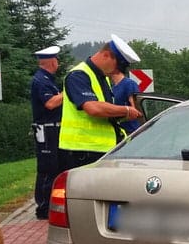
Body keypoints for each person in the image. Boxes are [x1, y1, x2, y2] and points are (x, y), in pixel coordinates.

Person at [58, 34, 143, 171]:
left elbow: (106, 111)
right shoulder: (78, 75)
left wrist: (122, 115)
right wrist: (126, 110)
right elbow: (93, 108)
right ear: (106, 55)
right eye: (118, 66)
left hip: (101, 150)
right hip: (82, 151)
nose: (117, 71)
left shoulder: (103, 78)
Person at [30, 45, 64, 219]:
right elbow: (50, 103)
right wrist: (67, 93)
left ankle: (48, 204)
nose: (58, 62)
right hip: (47, 130)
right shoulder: (41, 80)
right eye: (56, 59)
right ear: (51, 61)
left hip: (53, 129)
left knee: (54, 167)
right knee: (47, 168)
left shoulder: (48, 79)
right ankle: (43, 208)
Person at [110, 66, 142, 134]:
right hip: (119, 131)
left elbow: (137, 111)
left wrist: (118, 120)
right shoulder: (112, 88)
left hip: (132, 131)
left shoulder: (129, 84)